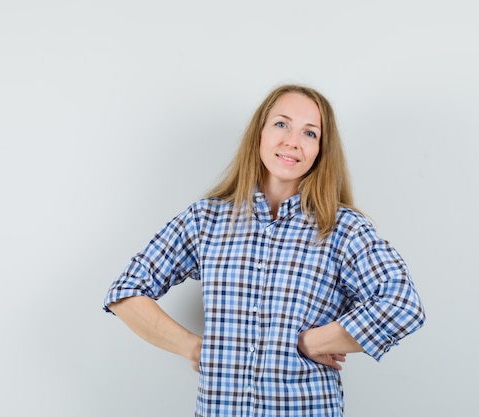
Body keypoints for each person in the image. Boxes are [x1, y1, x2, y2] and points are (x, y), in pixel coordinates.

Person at [103, 84, 425, 416]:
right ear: (260, 132)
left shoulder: (342, 228)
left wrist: (311, 342)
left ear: (321, 150)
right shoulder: (205, 220)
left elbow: (402, 304)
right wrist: (196, 348)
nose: (292, 141)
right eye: (282, 124)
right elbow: (127, 291)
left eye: (310, 133)